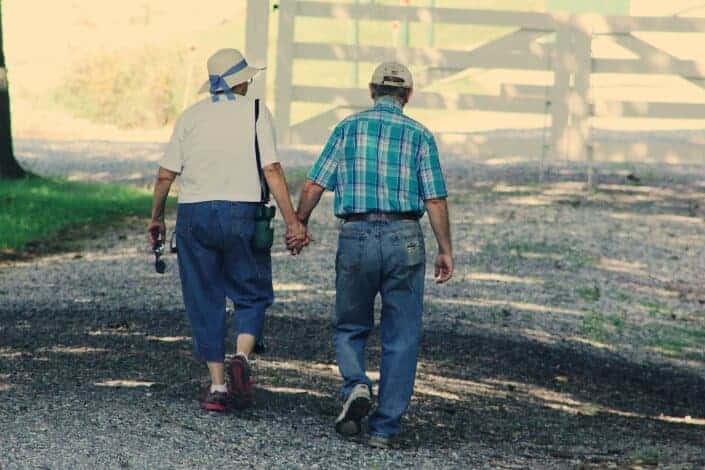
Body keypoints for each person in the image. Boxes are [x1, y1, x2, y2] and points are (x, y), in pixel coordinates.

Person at [293, 62, 454, 448]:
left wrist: (299, 223)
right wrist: (445, 249)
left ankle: (356, 385)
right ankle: (384, 429)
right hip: (405, 236)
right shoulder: (421, 136)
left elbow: (315, 183)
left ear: (371, 91)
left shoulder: (346, 129)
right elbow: (434, 197)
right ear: (408, 96)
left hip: (357, 233)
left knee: (350, 324)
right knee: (403, 334)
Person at [149, 48, 307, 412]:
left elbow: (164, 175)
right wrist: (293, 222)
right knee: (251, 291)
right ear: (240, 81)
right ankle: (242, 356)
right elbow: (272, 169)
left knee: (204, 298)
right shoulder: (255, 112)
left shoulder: (190, 117)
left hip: (195, 215)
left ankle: (218, 387)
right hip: (243, 212)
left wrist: (156, 217)